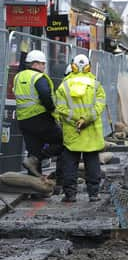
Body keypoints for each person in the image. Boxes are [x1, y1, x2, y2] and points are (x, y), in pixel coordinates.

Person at [55, 54, 106, 202]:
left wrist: (76, 121)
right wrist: (86, 119)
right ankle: (94, 193)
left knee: (70, 164)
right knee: (92, 163)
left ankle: (70, 194)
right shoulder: (96, 85)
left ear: (73, 66)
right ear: (89, 66)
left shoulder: (64, 86)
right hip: (91, 132)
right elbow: (100, 105)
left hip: (72, 132)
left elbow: (61, 109)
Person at [15, 50, 64, 193]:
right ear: (35, 64)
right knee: (64, 141)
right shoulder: (39, 77)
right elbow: (45, 95)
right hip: (40, 118)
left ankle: (36, 191)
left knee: (33, 150)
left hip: (24, 120)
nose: (44, 66)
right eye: (43, 64)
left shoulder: (19, 76)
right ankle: (37, 158)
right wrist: (51, 109)